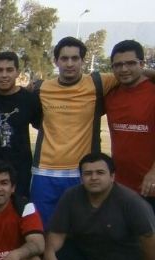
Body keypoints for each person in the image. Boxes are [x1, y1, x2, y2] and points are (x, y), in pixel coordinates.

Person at [31, 37, 118, 226]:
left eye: (75, 58)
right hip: (45, 172)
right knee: (43, 229)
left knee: (82, 230)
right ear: (56, 62)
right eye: (64, 59)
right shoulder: (41, 88)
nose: (69, 64)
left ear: (82, 61)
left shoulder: (98, 83)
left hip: (83, 172)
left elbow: (133, 73)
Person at [0, 51, 42, 200]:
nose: (4, 75)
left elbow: (44, 126)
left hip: (18, 176)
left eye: (9, 70)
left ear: (17, 72)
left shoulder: (29, 100)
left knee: (16, 220)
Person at [104, 40, 155, 211]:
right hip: (121, 186)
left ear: (142, 64)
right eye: (118, 65)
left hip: (151, 185)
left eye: (131, 63)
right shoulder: (110, 95)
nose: (124, 69)